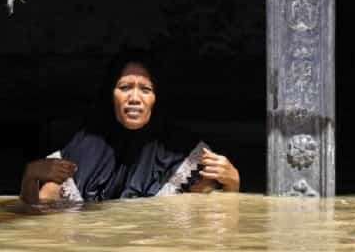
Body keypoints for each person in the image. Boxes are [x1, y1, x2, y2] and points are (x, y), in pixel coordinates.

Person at [19, 51, 240, 204]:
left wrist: (233, 184)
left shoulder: (183, 156)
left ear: (157, 98)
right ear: (111, 96)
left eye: (145, 89)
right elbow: (41, 220)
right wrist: (29, 178)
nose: (134, 98)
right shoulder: (83, 150)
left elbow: (215, 227)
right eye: (125, 87)